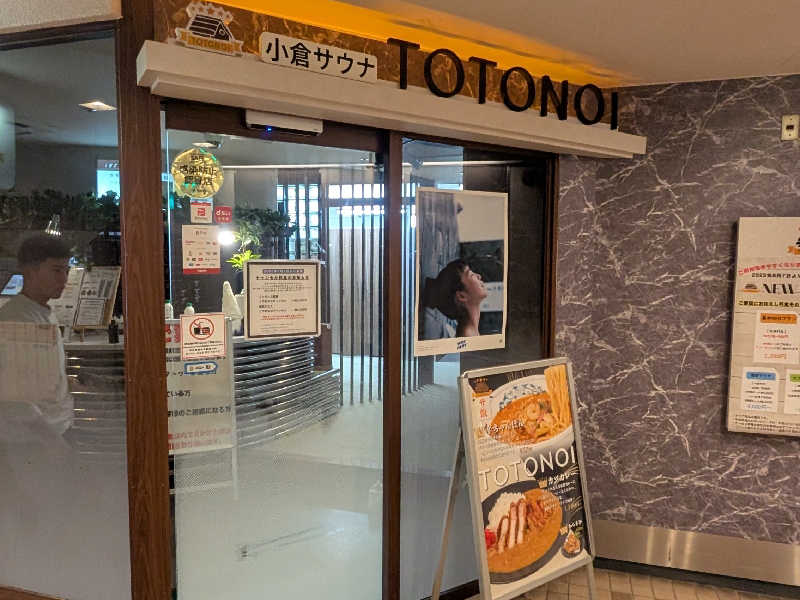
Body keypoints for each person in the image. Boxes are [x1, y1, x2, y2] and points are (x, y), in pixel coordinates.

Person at [0, 234, 73, 434]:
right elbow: (17, 400)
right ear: (30, 271)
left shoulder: (43, 312)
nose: (64, 279)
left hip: (57, 429)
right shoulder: (17, 320)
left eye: (66, 270)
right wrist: (50, 442)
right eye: (56, 270)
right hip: (39, 438)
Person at [421, 259, 488, 339]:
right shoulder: (467, 337)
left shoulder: (469, 334)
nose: (479, 276)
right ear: (462, 296)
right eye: (472, 275)